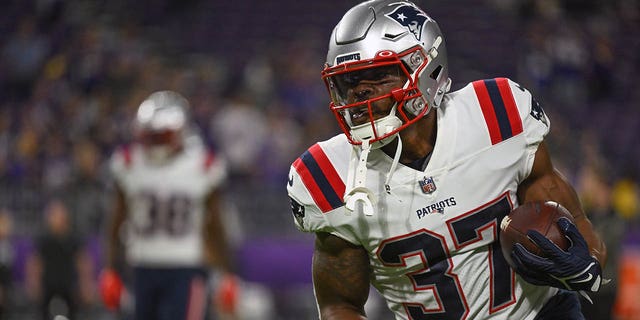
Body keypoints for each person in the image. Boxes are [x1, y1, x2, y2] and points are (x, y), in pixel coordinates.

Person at [286, 1, 607, 319]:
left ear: (425, 68)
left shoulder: (495, 115)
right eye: (349, 81)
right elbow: (340, 305)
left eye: (377, 76)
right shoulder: (330, 176)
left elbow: (572, 221)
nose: (359, 94)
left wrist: (587, 261)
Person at [101, 90, 237, 320]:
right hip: (141, 264)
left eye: (162, 135)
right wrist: (110, 269)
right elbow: (116, 220)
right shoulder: (129, 163)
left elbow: (215, 226)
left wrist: (227, 273)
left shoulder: (202, 165)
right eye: (151, 135)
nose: (156, 142)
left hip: (185, 265)